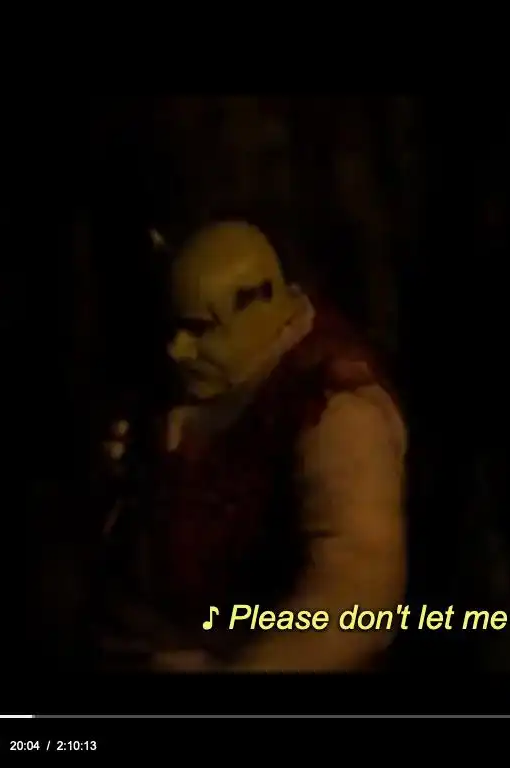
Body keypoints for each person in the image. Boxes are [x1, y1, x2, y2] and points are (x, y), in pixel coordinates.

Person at [100, 221, 407, 671]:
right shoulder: (189, 378)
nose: (178, 349)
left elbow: (356, 595)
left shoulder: (332, 410)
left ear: (257, 309)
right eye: (176, 328)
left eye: (199, 330)